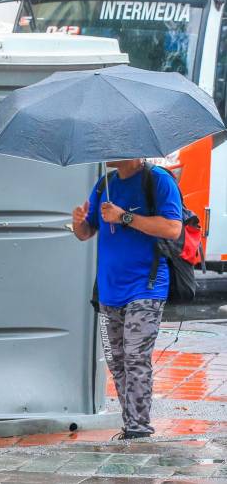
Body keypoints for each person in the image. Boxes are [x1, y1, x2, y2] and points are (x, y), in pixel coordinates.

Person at [72, 158, 183, 440]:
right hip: (109, 291)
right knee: (116, 359)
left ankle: (138, 429)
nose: (107, 150)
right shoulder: (105, 185)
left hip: (146, 287)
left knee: (135, 357)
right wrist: (78, 224)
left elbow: (172, 228)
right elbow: (87, 233)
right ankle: (131, 423)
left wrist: (125, 217)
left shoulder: (157, 180)